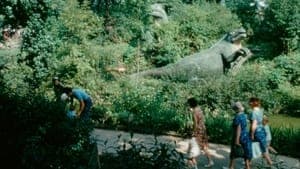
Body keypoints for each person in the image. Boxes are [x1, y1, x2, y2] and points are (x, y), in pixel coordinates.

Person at [224, 102, 252, 169]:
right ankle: (247, 167)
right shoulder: (244, 115)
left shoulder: (237, 117)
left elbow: (238, 129)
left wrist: (237, 140)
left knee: (233, 152)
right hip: (245, 136)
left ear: (235, 109)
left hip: (239, 137)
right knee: (245, 153)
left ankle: (231, 167)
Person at [187, 97, 214, 168]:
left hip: (198, 131)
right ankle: (210, 161)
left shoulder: (194, 112)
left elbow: (195, 124)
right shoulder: (199, 109)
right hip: (203, 129)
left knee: (193, 146)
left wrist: (193, 132)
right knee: (204, 147)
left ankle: (193, 164)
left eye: (189, 103)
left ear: (191, 104)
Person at [249, 97, 273, 166]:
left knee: (261, 149)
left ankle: (270, 163)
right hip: (261, 131)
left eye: (250, 102)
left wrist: (252, 134)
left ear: (252, 103)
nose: (249, 103)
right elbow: (262, 121)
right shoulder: (260, 110)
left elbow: (254, 124)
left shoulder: (254, 112)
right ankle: (248, 163)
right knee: (262, 148)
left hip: (257, 132)